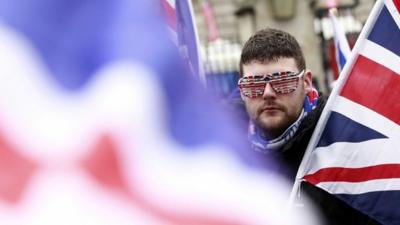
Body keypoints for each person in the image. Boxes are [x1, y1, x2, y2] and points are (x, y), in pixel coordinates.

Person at [235, 28, 380, 225]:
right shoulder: (225, 151)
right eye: (254, 85)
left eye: (283, 81)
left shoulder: (346, 143)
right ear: (242, 91)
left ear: (306, 82)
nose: (268, 93)